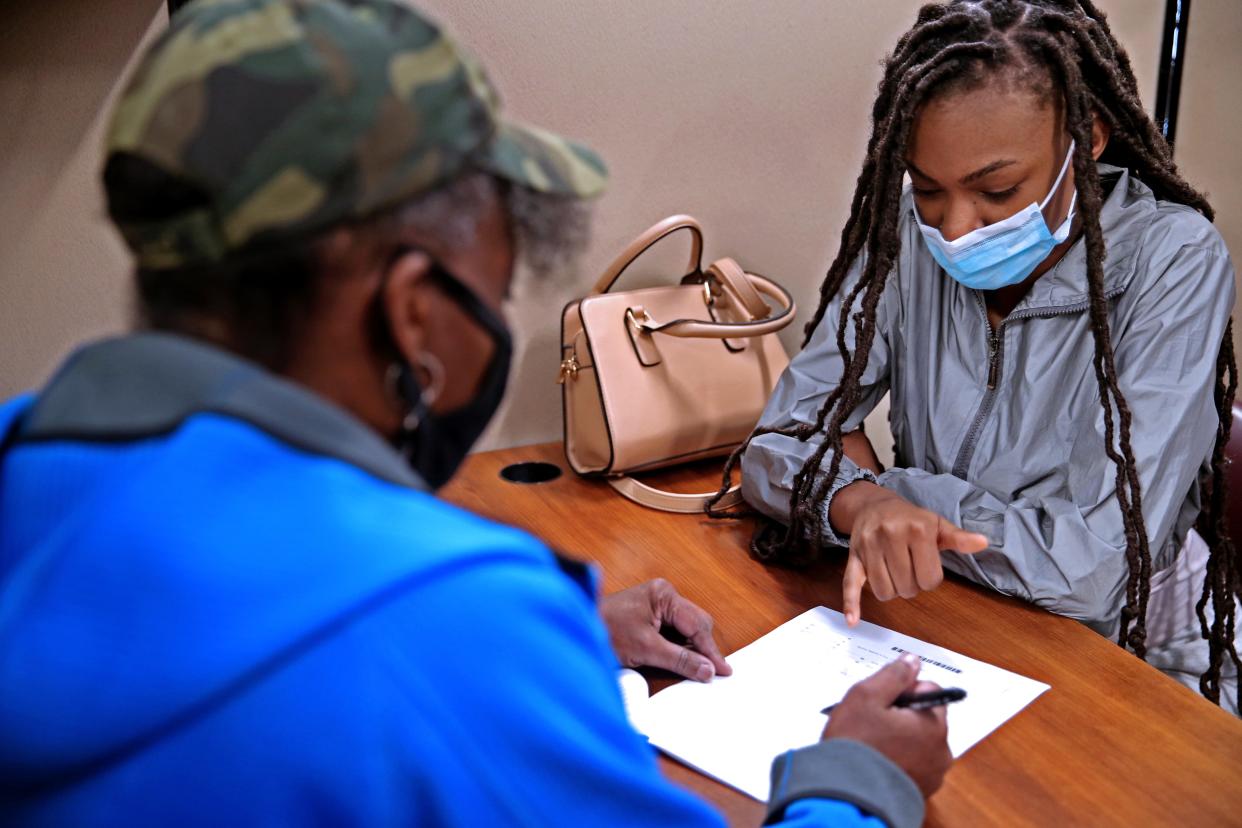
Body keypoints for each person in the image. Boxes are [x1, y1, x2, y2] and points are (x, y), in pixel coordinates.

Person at [0, 1, 953, 825]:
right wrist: (858, 782)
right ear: (413, 310)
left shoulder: (24, 461)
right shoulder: (449, 637)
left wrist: (563, 621)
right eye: (491, 295)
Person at [726, 0, 1239, 714]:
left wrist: (899, 493)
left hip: (1134, 653)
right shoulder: (907, 234)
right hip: (967, 616)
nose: (957, 229)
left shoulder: (1173, 259)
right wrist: (856, 497)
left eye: (997, 191)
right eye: (929, 188)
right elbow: (778, 443)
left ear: (1086, 140)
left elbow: (1094, 571)